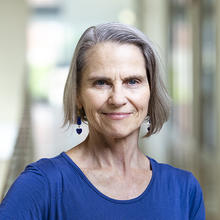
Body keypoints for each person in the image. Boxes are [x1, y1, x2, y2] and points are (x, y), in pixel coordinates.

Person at [0, 22, 205, 220]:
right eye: (101, 83)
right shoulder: (42, 185)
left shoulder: (185, 191)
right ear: (78, 95)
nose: (117, 99)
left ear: (151, 92)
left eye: (132, 81)